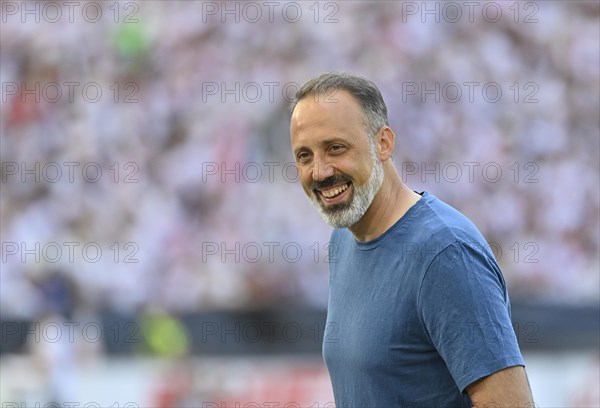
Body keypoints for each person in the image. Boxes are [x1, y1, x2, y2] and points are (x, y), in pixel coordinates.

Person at [289, 72, 535, 407]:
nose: (319, 171)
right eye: (305, 155)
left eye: (335, 148)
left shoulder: (446, 254)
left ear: (384, 143)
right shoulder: (343, 240)